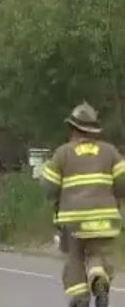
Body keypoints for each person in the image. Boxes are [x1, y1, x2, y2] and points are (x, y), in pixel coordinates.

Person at [41, 102, 125, 307]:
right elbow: (123, 183)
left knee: (75, 259)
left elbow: (49, 188)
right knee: (98, 254)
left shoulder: (63, 153)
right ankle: (99, 280)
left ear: (73, 128)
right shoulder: (110, 151)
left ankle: (80, 298)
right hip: (105, 219)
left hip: (74, 221)